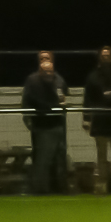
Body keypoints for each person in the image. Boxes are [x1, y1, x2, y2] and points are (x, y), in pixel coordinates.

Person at [81, 46, 111, 194]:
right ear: (99, 58)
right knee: (101, 156)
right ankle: (103, 185)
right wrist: (86, 118)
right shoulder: (92, 77)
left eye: (108, 56)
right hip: (100, 120)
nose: (105, 58)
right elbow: (87, 99)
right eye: (103, 56)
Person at [21, 51, 69, 195]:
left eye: (47, 58)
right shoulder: (32, 81)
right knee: (42, 159)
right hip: (41, 126)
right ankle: (40, 189)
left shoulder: (59, 79)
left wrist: (63, 104)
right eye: (42, 59)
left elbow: (64, 95)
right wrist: (28, 119)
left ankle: (58, 187)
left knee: (59, 157)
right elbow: (28, 101)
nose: (48, 74)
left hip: (58, 123)